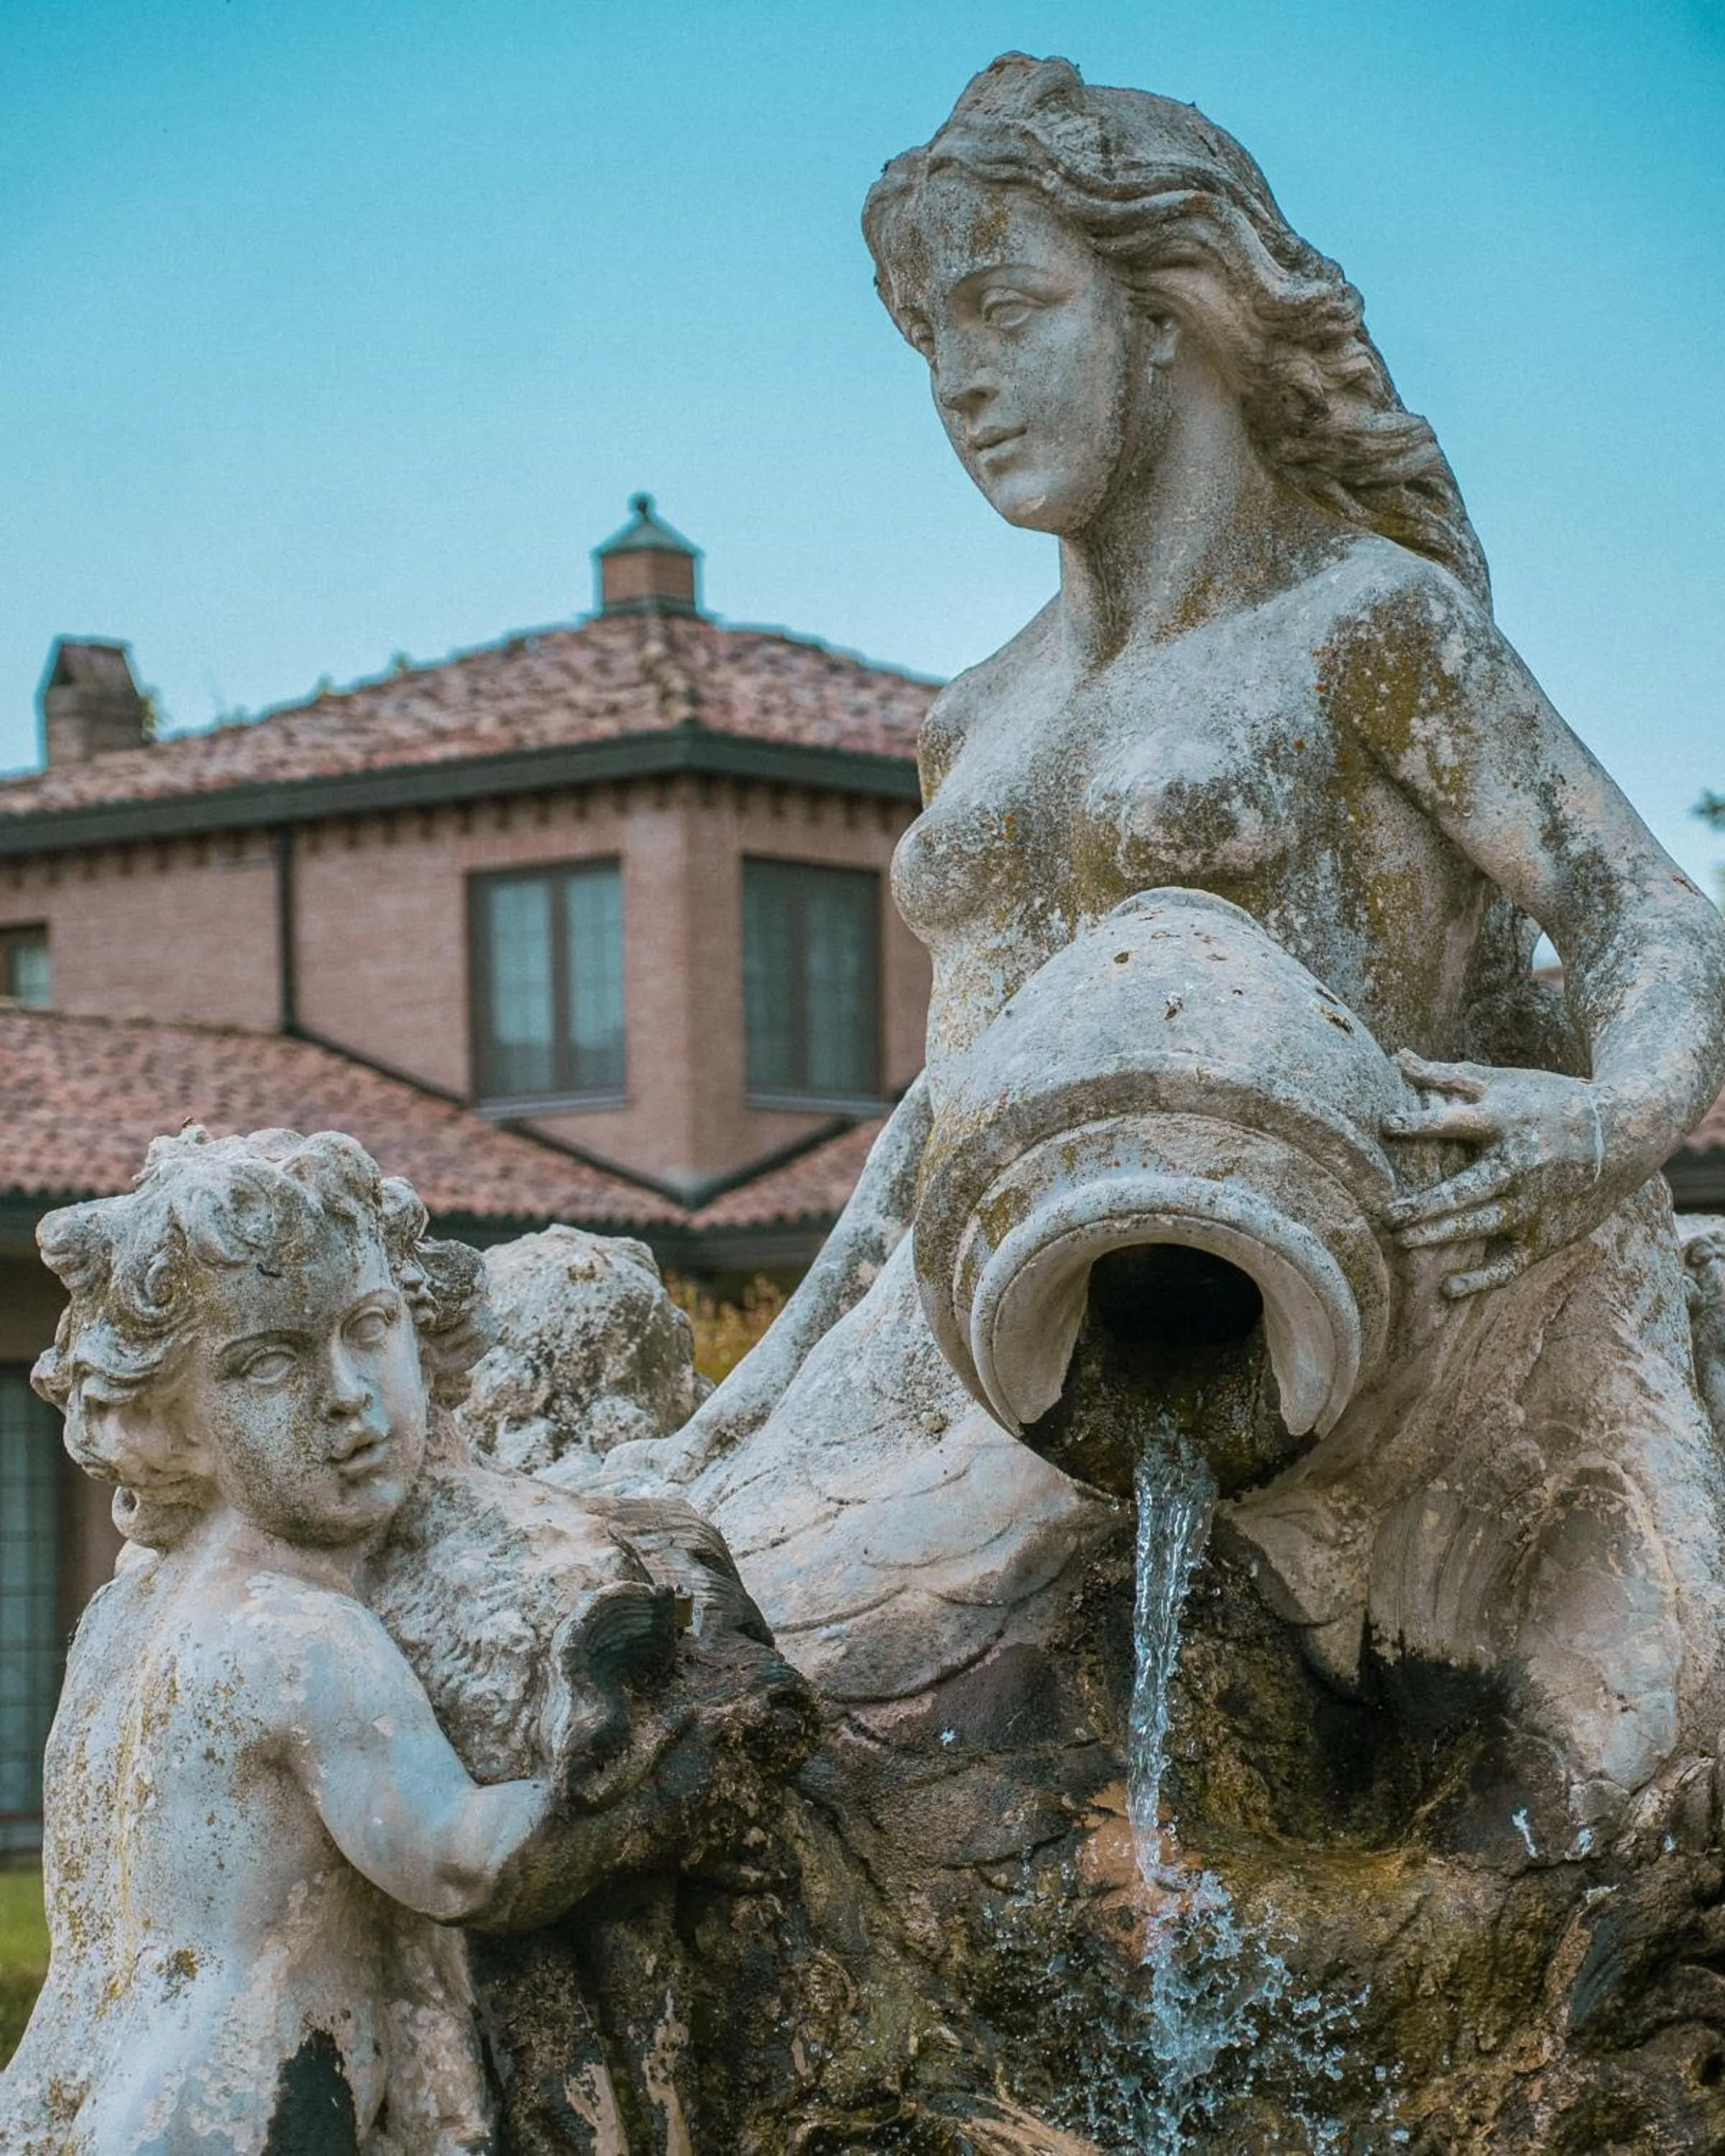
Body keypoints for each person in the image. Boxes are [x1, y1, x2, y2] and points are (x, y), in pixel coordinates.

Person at [659, 54, 1725, 1858]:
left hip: (1370, 1335)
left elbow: (1649, 920)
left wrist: (1605, 1128)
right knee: (666, 1644)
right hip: (1036, 1349)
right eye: (926, 337)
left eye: (1005, 307)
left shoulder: (1366, 626)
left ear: (1172, 315)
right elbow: (940, 1122)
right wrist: (749, 1409)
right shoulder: (973, 719)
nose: (961, 382)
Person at [1, 1127, 686, 2154]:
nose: (349, 1395)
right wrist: (669, 1784)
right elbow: (457, 1864)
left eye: (370, 1325)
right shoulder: (298, 1636)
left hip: (57, 2097)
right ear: (169, 1422)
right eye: (271, 1363)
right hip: (233, 2116)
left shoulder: (121, 1614)